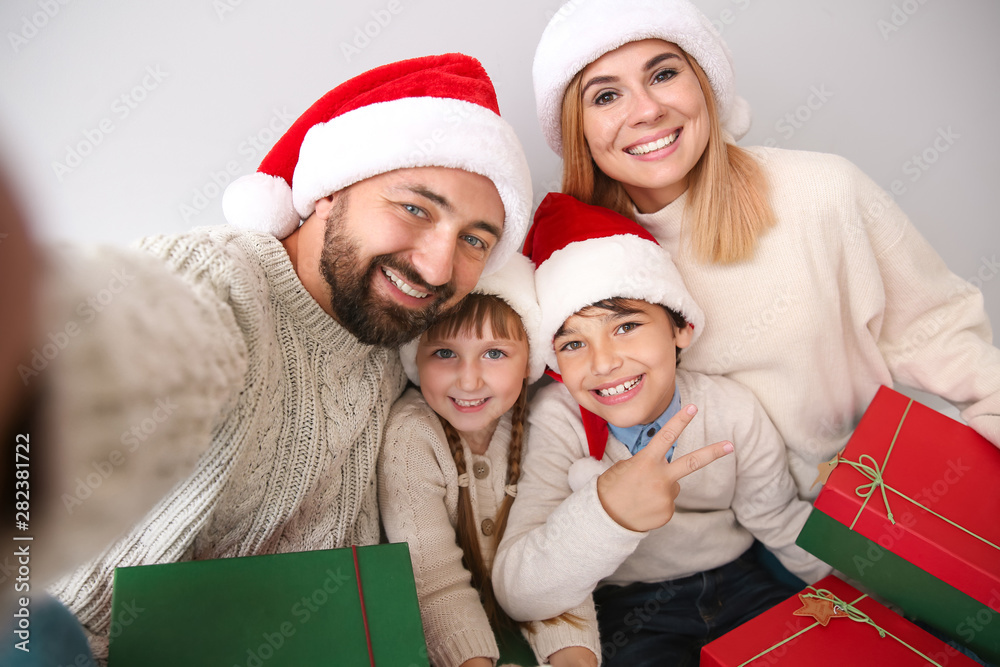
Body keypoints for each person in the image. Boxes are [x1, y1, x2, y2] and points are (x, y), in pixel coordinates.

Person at [42, 52, 533, 662]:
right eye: (415, 209)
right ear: (327, 195)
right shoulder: (218, 282)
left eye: (473, 240)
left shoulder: (390, 354)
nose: (437, 265)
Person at [530, 0, 1000, 500]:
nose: (646, 110)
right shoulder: (568, 259)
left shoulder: (822, 193)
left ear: (705, 83)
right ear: (576, 128)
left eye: (664, 74)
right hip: (700, 540)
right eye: (605, 96)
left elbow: (939, 335)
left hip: (856, 501)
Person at [492, 193, 832, 666]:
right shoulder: (559, 421)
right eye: (572, 343)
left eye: (626, 326)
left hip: (739, 582)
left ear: (681, 329)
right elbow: (520, 590)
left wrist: (875, 594)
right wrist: (608, 511)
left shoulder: (731, 409)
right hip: (631, 608)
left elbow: (778, 522)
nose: (604, 362)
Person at [379, 253, 599, 667]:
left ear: (528, 363)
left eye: (494, 354)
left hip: (524, 616)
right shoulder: (411, 437)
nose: (468, 380)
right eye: (445, 354)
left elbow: (555, 560)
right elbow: (433, 582)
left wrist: (575, 656)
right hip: (449, 639)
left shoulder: (542, 425)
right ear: (416, 360)